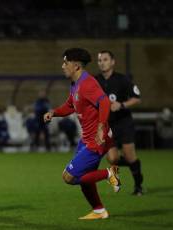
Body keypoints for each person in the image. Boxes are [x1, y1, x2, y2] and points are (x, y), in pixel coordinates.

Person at [44, 48, 120, 220]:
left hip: (96, 139)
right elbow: (70, 106)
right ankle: (99, 211)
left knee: (69, 177)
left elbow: (105, 102)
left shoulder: (88, 83)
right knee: (85, 178)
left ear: (76, 66)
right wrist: (54, 113)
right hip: (87, 139)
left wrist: (101, 127)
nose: (63, 66)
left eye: (66, 62)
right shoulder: (75, 84)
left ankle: (110, 174)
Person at [95, 50, 144, 196]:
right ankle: (117, 181)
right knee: (112, 158)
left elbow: (137, 98)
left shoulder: (122, 80)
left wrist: (121, 105)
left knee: (129, 156)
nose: (102, 63)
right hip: (107, 125)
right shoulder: (95, 81)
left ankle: (138, 186)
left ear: (112, 62)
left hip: (123, 123)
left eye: (105, 59)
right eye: (99, 60)